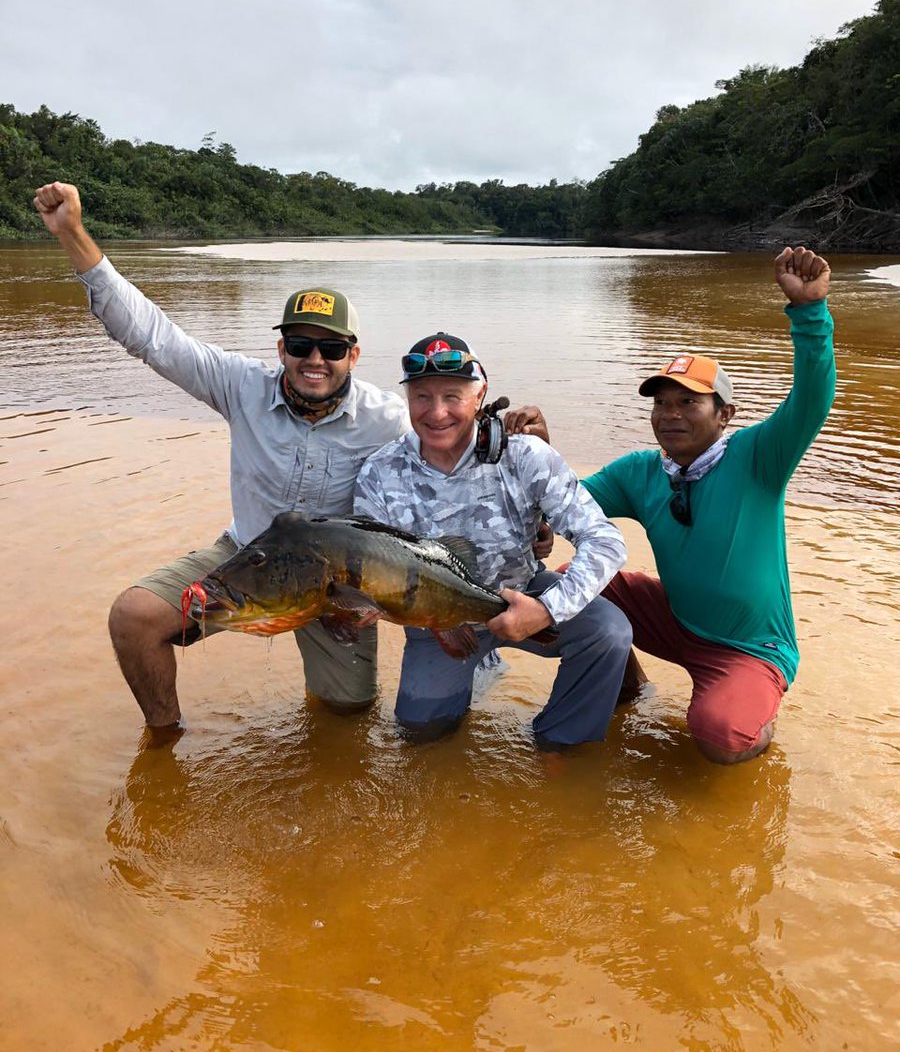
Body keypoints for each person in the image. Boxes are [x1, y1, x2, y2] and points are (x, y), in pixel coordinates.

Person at [33, 182, 548, 736]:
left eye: (329, 348)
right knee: (134, 618)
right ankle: (163, 739)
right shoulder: (239, 386)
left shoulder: (388, 418)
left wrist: (528, 457)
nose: (314, 360)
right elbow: (152, 336)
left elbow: (458, 457)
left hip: (343, 583)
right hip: (250, 557)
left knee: (347, 714)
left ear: (353, 353)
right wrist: (73, 234)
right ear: (281, 349)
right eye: (300, 345)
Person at [578, 245, 835, 764]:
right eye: (662, 403)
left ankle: (751, 711)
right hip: (675, 620)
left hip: (748, 648)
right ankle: (627, 686)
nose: (671, 415)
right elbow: (564, 503)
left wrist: (810, 313)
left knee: (720, 736)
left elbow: (811, 398)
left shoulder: (758, 457)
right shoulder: (640, 471)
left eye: (688, 402)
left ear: (725, 414)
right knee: (570, 584)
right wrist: (535, 446)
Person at [353, 332, 633, 748]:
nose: (437, 412)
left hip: (524, 592)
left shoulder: (525, 455)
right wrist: (362, 606)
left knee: (608, 632)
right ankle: (481, 665)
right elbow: (372, 567)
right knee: (421, 735)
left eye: (453, 396)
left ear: (481, 394)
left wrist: (546, 609)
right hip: (439, 621)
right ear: (407, 400)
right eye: (422, 397)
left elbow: (605, 539)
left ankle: (563, 741)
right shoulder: (380, 473)